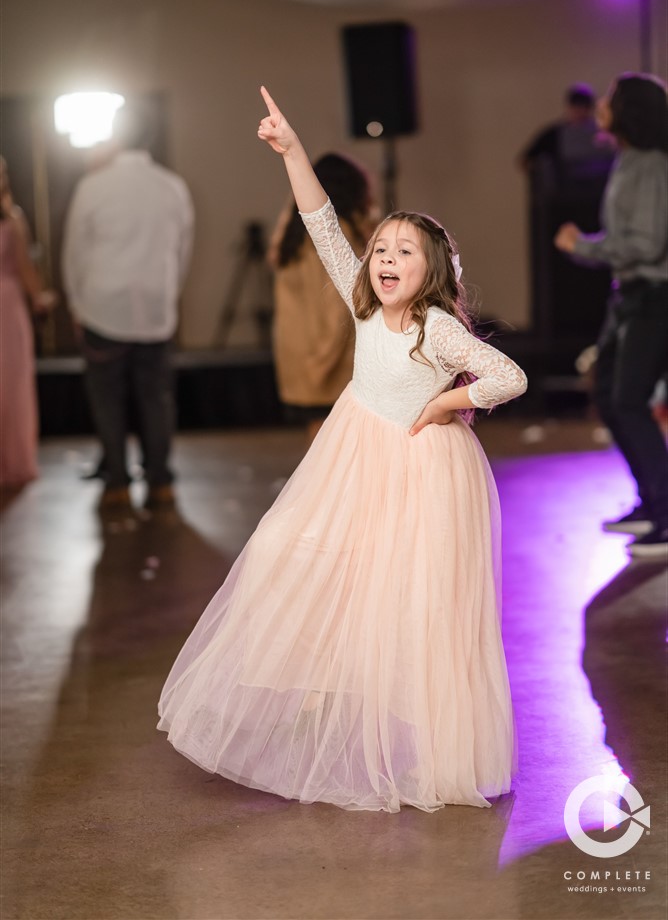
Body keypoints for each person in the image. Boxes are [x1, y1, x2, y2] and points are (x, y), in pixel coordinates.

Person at [157, 87, 527, 813]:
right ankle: (322, 689)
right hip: (354, 452)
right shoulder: (363, 301)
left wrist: (449, 400)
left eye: (404, 253)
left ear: (433, 271)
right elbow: (322, 225)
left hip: (421, 467)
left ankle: (417, 738)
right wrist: (292, 151)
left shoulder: (434, 328)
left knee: (409, 600)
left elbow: (508, 375)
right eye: (381, 249)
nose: (386, 260)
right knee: (281, 549)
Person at [555, 73, 668, 561]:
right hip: (629, 294)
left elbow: (647, 243)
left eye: (610, 99)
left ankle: (665, 513)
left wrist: (582, 244)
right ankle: (652, 502)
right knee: (608, 393)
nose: (601, 105)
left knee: (628, 400)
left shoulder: (652, 164)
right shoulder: (630, 159)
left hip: (654, 294)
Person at [62, 100, 194, 509]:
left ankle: (117, 481)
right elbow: (182, 251)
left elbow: (74, 254)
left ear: (116, 136)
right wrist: (169, 295)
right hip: (155, 307)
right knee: (156, 397)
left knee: (108, 398)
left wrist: (77, 305)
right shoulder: (173, 186)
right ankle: (160, 482)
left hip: (103, 305)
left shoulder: (93, 186)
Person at [270, 153, 375, 443]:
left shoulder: (291, 234)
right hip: (329, 359)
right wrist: (322, 362)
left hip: (300, 356)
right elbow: (340, 303)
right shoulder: (331, 234)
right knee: (338, 452)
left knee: (321, 450)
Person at [0, 157, 56, 490]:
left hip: (8, 305)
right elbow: (24, 269)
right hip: (7, 304)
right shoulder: (13, 218)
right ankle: (13, 460)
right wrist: (41, 298)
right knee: (11, 383)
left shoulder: (12, 217)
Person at [519, 83, 614, 184]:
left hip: (596, 192)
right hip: (562, 194)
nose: (580, 112)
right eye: (576, 107)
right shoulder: (553, 135)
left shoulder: (603, 134)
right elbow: (525, 160)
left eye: (584, 107)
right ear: (569, 107)